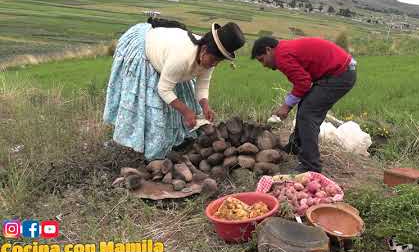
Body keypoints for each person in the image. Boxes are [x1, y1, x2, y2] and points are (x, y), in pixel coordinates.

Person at [103, 18, 245, 160]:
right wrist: (186, 112)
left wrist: (205, 106)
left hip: (169, 59)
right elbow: (164, 90)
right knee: (157, 110)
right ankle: (147, 150)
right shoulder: (182, 57)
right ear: (204, 50)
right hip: (144, 47)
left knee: (186, 104)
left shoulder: (208, 59)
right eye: (214, 60)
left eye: (218, 62)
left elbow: (202, 85)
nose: (215, 64)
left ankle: (176, 141)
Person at [251, 35, 357, 173]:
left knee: (308, 114)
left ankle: (311, 165)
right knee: (305, 105)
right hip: (338, 71)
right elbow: (303, 83)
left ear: (268, 50)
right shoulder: (283, 50)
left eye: (262, 60)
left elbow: (303, 83)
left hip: (339, 74)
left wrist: (286, 106)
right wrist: (289, 104)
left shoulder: (282, 56)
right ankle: (295, 146)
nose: (264, 65)